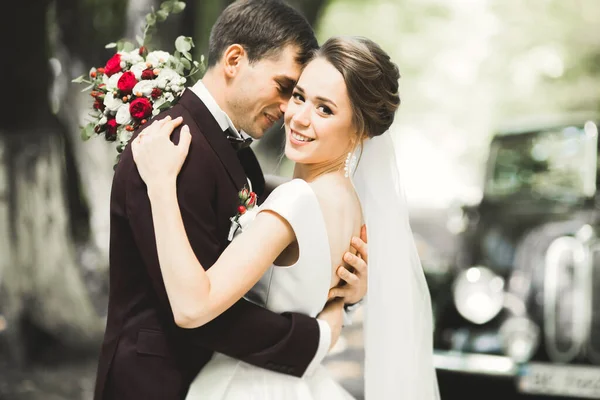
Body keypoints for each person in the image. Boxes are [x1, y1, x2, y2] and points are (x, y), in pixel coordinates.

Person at [132, 36, 440, 399]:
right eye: (299, 96)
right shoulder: (351, 203)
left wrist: (161, 185)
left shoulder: (297, 200)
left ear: (359, 129)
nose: (298, 117)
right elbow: (323, 294)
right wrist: (346, 302)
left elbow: (192, 307)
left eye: (325, 109)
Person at [93, 1, 369, 399]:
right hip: (154, 380)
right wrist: (318, 335)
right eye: (286, 88)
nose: (288, 109)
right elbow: (199, 308)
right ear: (235, 59)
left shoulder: (235, 151)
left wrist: (343, 290)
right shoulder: (172, 148)